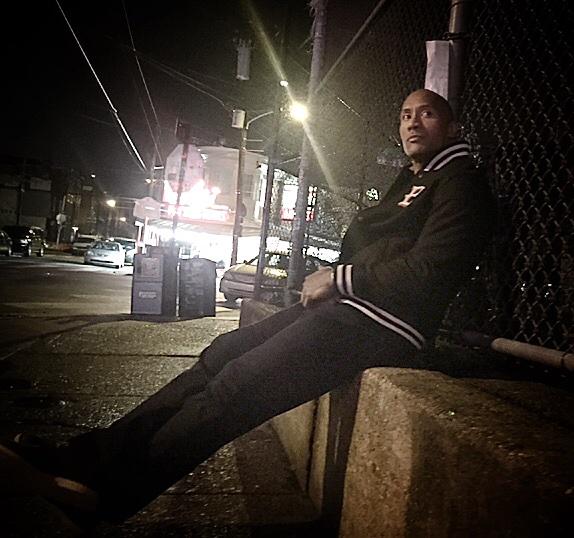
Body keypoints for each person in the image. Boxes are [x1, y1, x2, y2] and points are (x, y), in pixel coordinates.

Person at [0, 89, 495, 526]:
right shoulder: (414, 179)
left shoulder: (461, 182)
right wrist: (341, 280)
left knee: (236, 389)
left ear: (452, 128)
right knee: (218, 357)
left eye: (427, 113)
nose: (412, 122)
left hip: (385, 323)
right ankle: (82, 461)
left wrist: (340, 277)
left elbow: (433, 269)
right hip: (349, 307)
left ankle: (105, 494)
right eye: (406, 114)